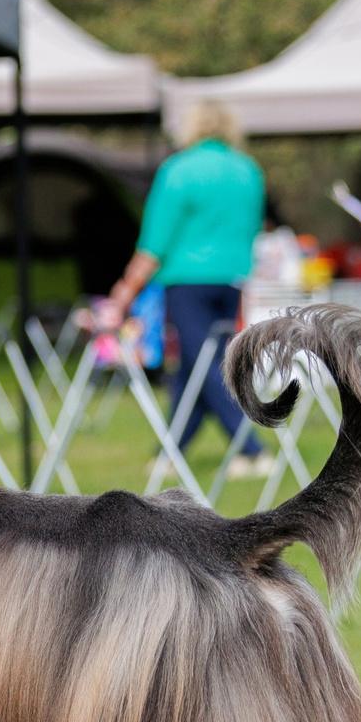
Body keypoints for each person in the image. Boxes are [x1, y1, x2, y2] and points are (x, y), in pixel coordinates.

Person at [98, 104, 270, 476]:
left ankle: (253, 450)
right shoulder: (248, 170)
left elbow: (155, 240)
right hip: (233, 278)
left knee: (206, 364)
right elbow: (253, 226)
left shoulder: (179, 170)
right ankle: (170, 451)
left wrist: (126, 290)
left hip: (187, 280)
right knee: (195, 365)